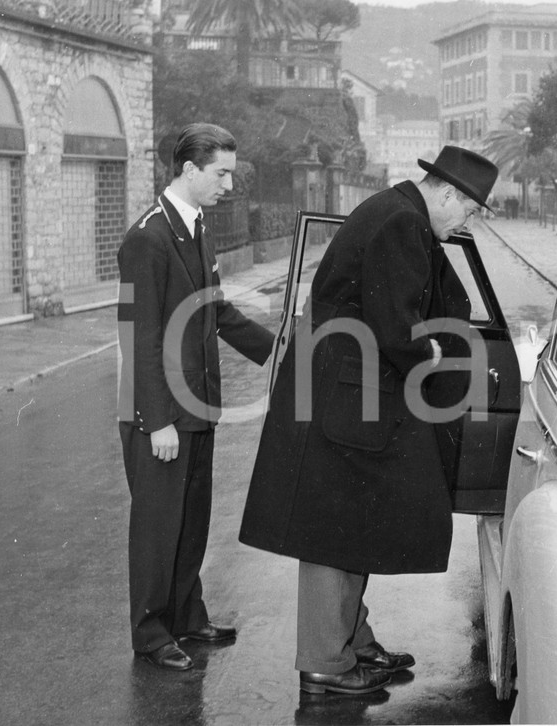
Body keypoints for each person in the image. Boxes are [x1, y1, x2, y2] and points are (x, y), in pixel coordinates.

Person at [238, 146, 498, 695]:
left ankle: (353, 641)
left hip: (347, 391)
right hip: (345, 396)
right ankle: (324, 663)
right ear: (449, 193)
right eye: (470, 211)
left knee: (353, 519)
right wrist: (432, 357)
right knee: (333, 528)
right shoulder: (403, 222)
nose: (466, 221)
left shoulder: (400, 214)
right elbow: (395, 324)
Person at [117, 123, 274, 671]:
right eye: (221, 173)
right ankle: (151, 633)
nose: (229, 184)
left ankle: (186, 615)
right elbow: (140, 337)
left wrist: (276, 352)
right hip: (160, 413)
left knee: (191, 518)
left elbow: (216, 309)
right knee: (158, 526)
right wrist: (155, 420)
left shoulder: (197, 225)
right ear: (189, 170)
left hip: (198, 405)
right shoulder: (147, 237)